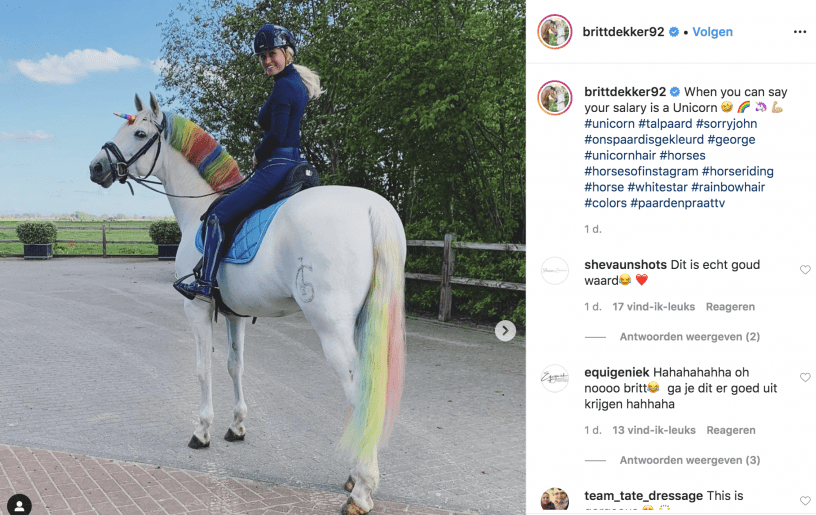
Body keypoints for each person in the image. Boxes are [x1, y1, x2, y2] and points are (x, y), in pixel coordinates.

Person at [175, 24, 324, 301]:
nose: (267, 61)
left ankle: (205, 283)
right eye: (262, 56)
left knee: (218, 215)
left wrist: (258, 152)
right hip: (294, 159)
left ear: (287, 53)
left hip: (276, 164)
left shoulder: (283, 87)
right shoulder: (295, 82)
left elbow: (277, 134)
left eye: (272, 54)